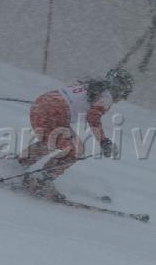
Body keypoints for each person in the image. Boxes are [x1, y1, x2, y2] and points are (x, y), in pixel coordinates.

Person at [17, 68, 135, 200]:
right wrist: (103, 141)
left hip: (42, 105)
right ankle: (41, 181)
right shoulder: (106, 96)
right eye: (124, 92)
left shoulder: (91, 84)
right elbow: (93, 118)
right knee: (75, 149)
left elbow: (70, 96)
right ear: (119, 87)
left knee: (54, 142)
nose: (123, 98)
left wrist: (47, 104)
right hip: (54, 113)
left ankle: (18, 165)